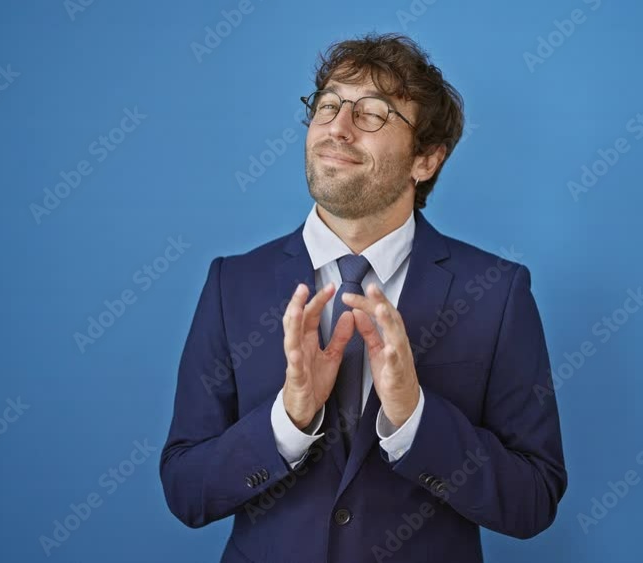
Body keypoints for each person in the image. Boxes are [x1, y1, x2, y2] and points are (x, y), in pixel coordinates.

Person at [160, 32, 567, 563]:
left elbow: (533, 502)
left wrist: (414, 416)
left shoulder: (497, 293)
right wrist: (288, 418)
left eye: (371, 113)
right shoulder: (230, 284)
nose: (337, 127)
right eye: (327, 105)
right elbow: (186, 492)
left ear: (426, 159)